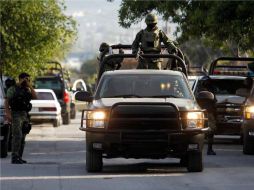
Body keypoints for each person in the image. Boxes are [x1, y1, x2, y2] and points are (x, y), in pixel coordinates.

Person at [4, 73, 37, 164]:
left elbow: (35, 97)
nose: (27, 81)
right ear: (20, 79)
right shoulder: (13, 89)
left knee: (23, 136)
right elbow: (6, 102)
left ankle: (19, 156)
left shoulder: (27, 89)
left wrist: (30, 85)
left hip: (25, 114)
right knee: (17, 135)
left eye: (28, 79)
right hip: (15, 114)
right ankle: (14, 157)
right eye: (26, 79)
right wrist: (8, 113)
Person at [199, 76, 217, 155]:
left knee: (210, 131)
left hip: (207, 113)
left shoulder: (210, 91)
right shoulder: (199, 90)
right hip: (199, 113)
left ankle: (209, 149)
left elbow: (214, 103)